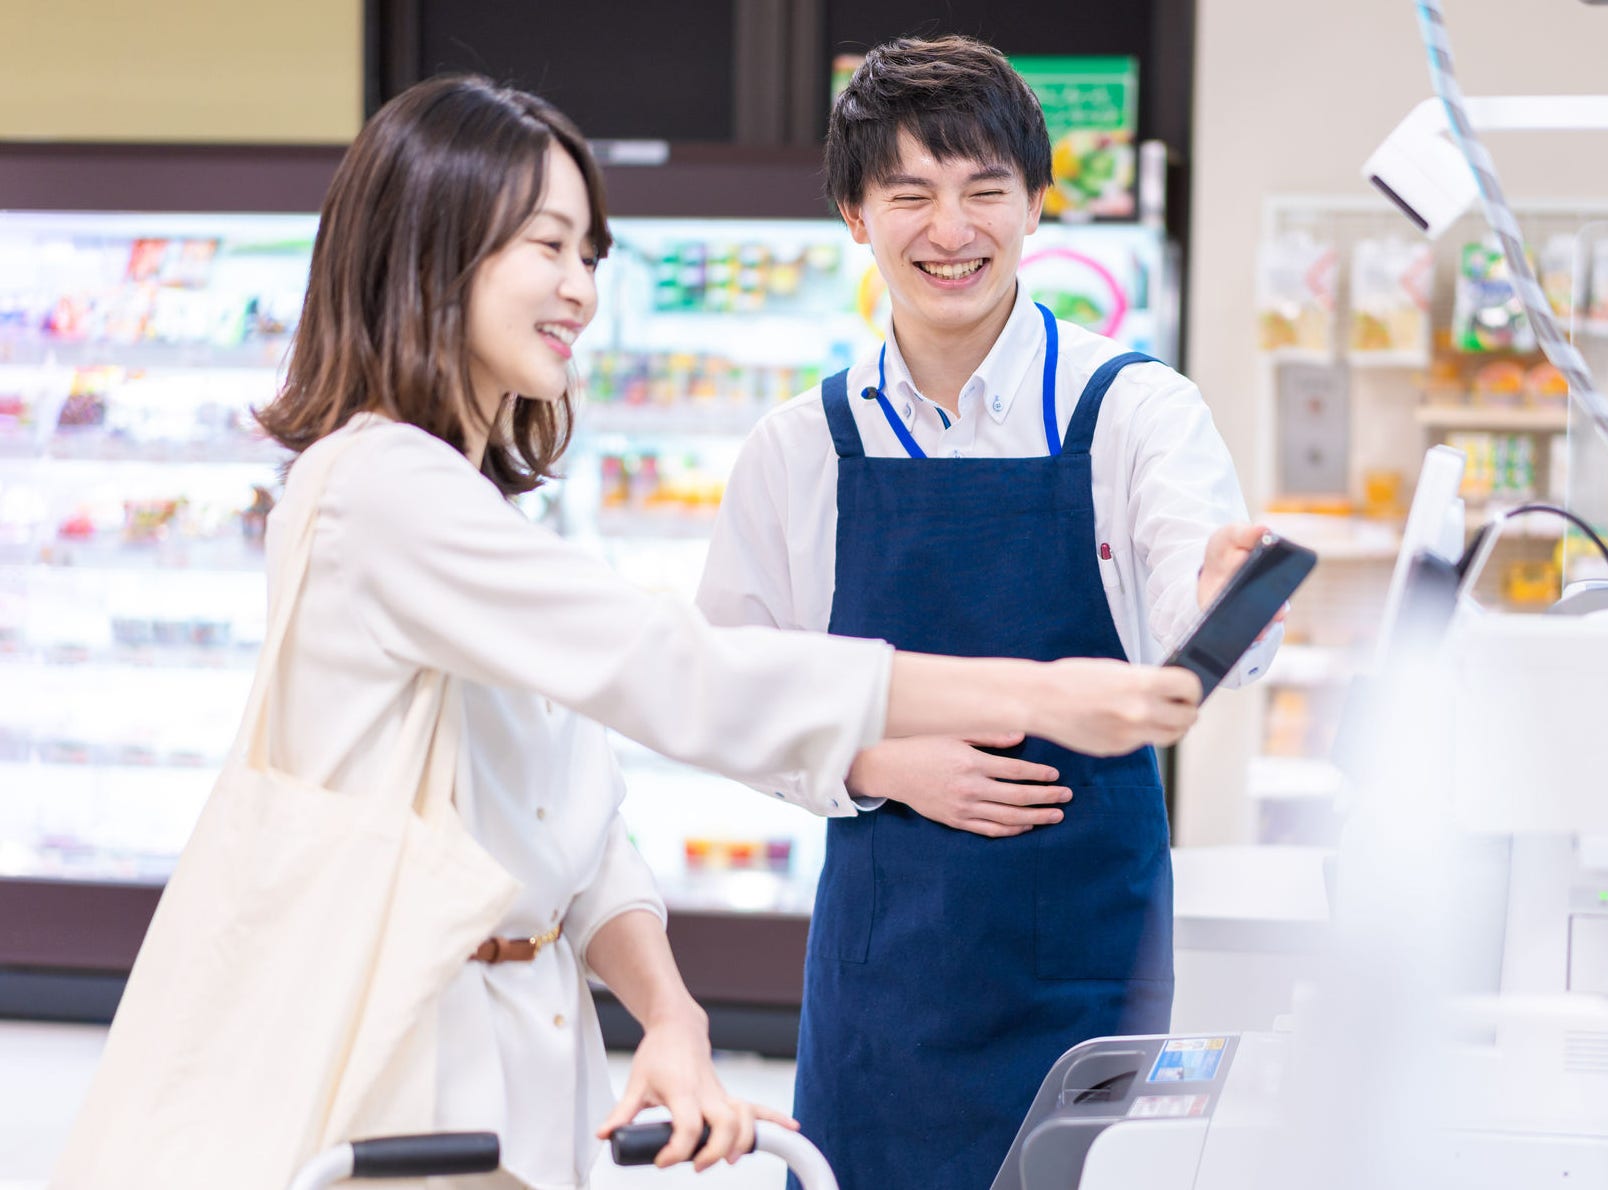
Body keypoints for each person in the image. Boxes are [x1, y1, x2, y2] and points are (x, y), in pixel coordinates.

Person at [212, 75, 1197, 1190]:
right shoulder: (378, 492)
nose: (582, 289)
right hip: (399, 1054)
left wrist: (672, 1014)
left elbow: (572, 814)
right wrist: (1035, 696)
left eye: (590, 252)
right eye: (548, 245)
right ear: (432, 255)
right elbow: (681, 667)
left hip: (534, 1047)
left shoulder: (468, 501)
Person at [694, 36, 1277, 1190]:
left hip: (1093, 958)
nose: (950, 229)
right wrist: (876, 763)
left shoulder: (1133, 411)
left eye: (983, 190)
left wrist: (1223, 601)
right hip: (886, 973)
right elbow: (724, 689)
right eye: (909, 193)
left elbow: (1194, 621)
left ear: (1038, 203)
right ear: (855, 215)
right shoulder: (800, 447)